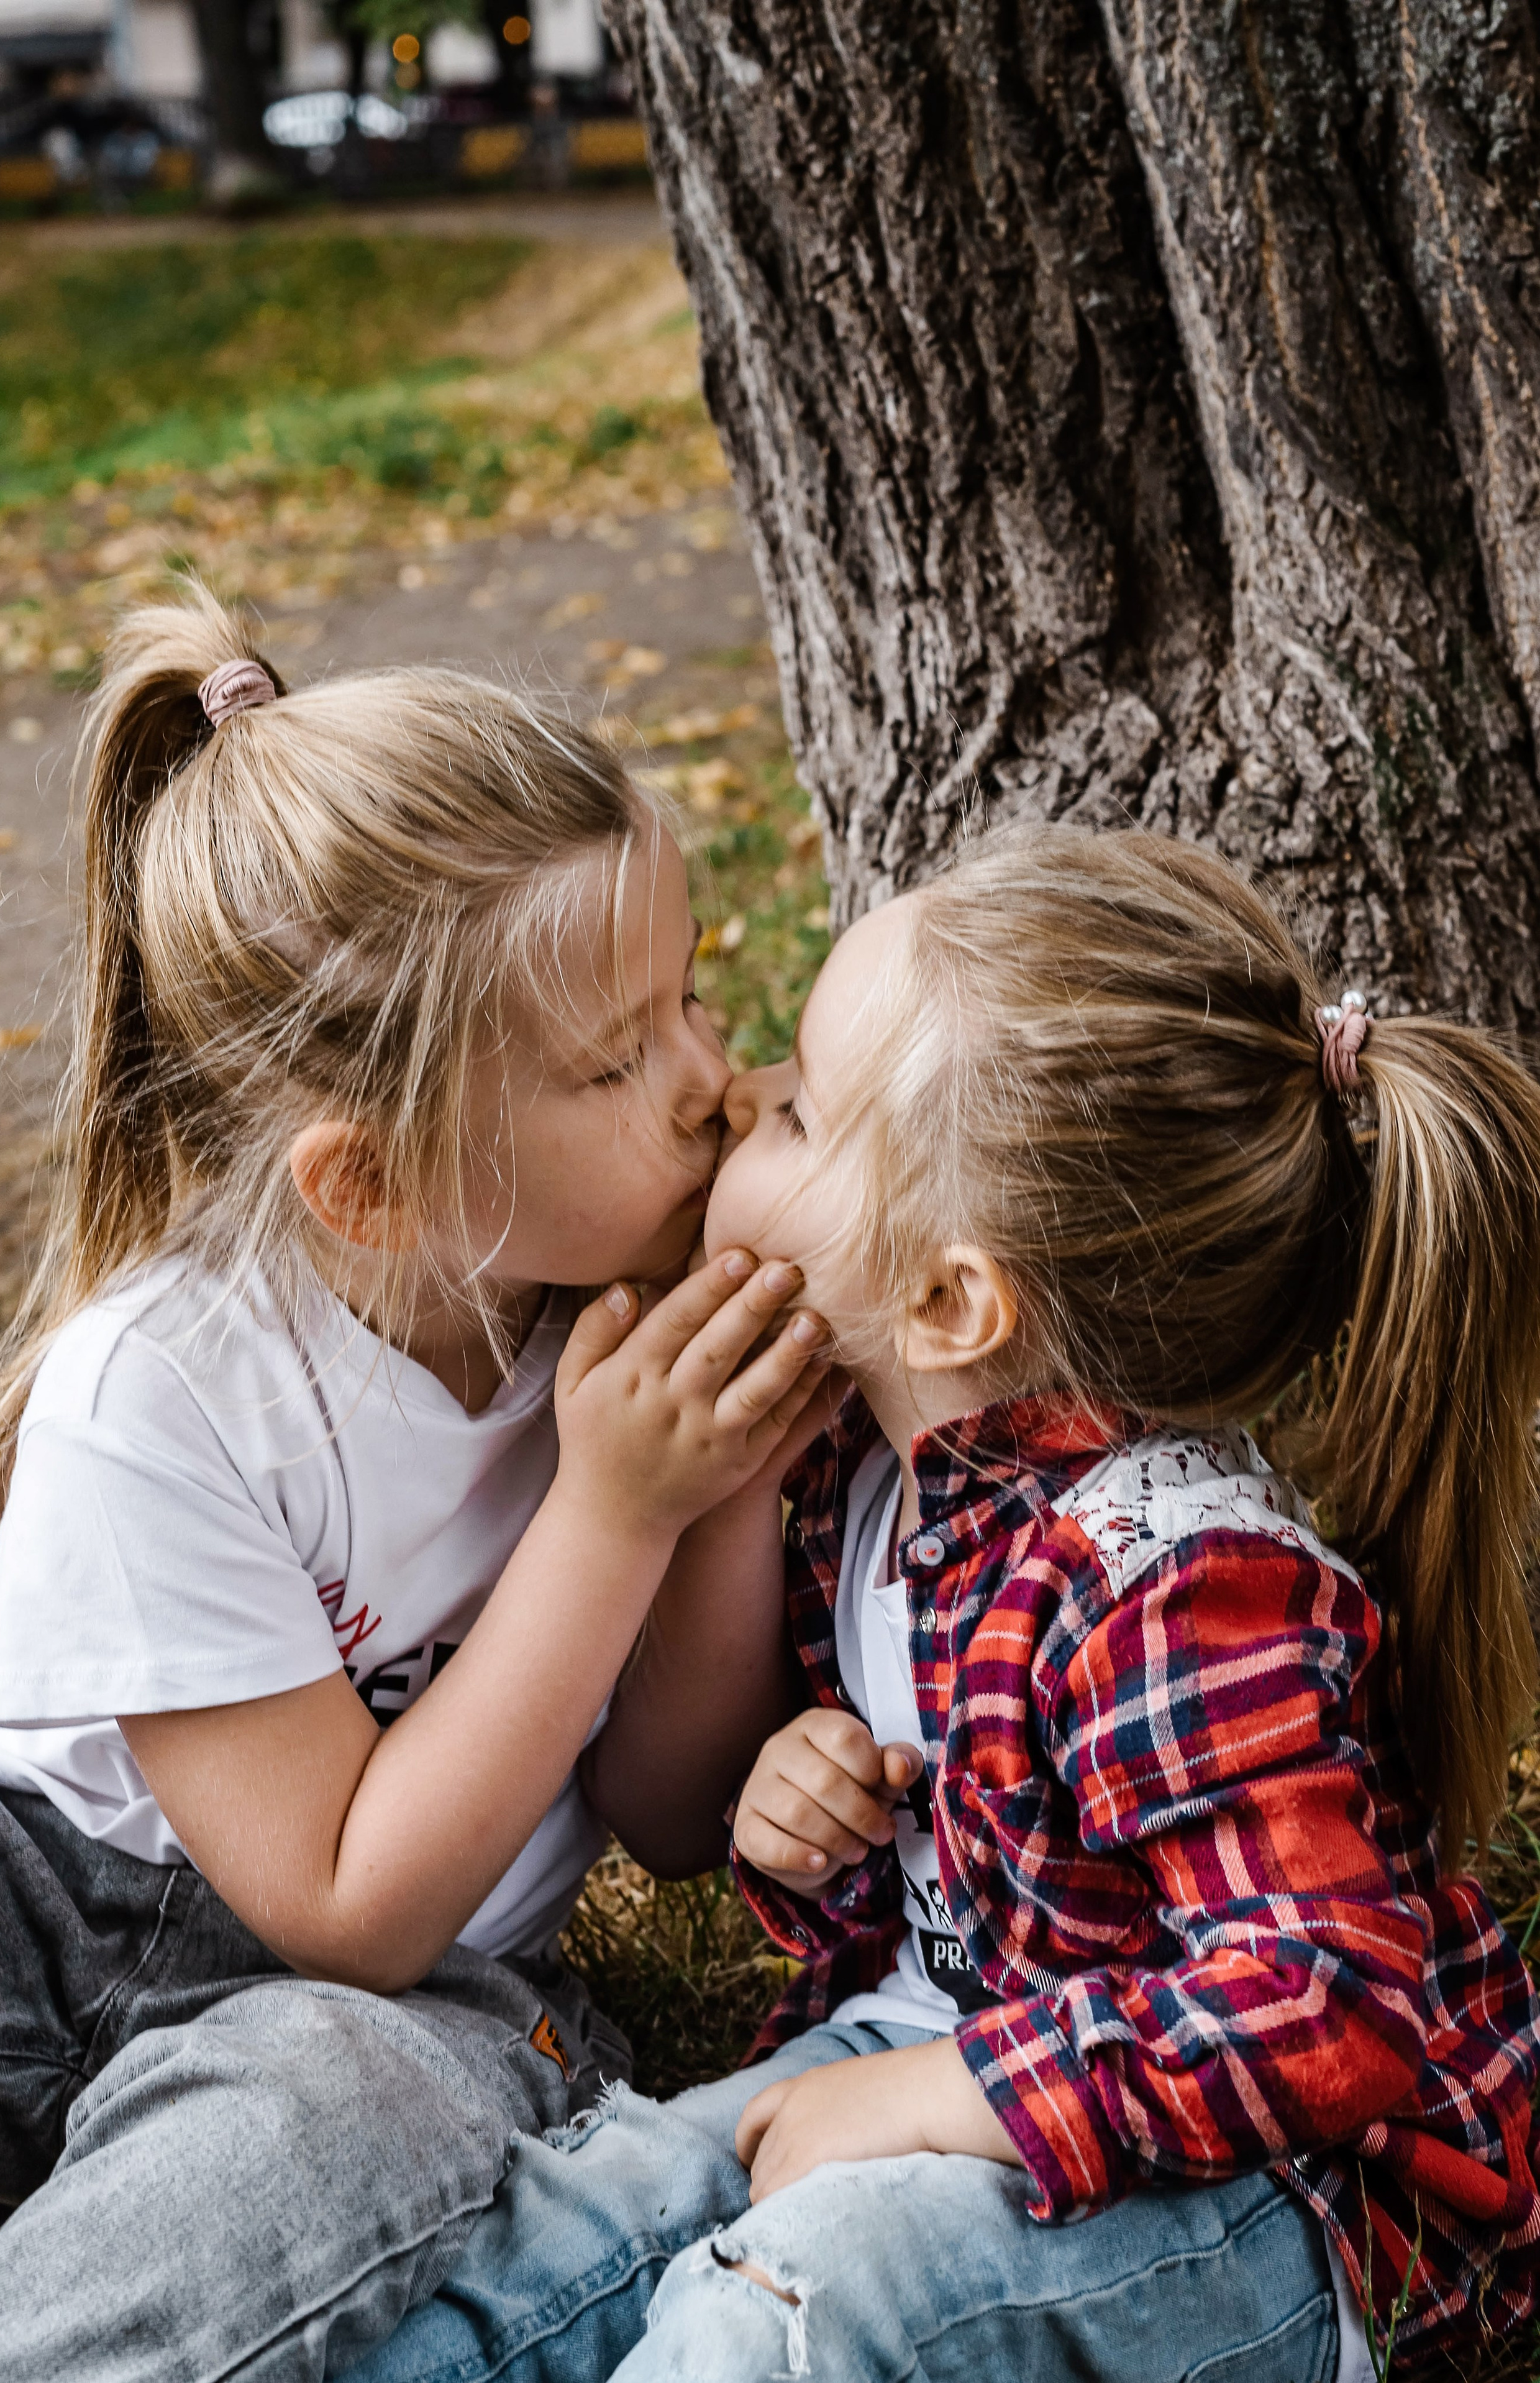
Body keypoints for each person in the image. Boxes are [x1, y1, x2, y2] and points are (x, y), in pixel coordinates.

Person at [357, 823, 1540, 2383]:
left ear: (945, 1300)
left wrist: (928, 2097)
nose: (740, 1104)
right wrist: (806, 1789)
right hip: (935, 2052)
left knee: (785, 2313)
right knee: (577, 2225)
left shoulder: (1168, 1581)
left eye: (805, 1108)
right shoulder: (868, 1464)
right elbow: (848, 1837)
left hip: (1260, 2202)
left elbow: (1319, 2010)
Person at [0, 588, 832, 2382]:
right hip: (42, 1891)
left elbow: (654, 1820)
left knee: (349, 2117)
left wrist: (716, 1483)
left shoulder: (625, 1308)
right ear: (374, 1185)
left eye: (689, 997)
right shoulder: (166, 1387)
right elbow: (336, 1875)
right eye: (613, 1057)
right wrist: (610, 1510)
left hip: (404, 2010)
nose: (702, 1081)